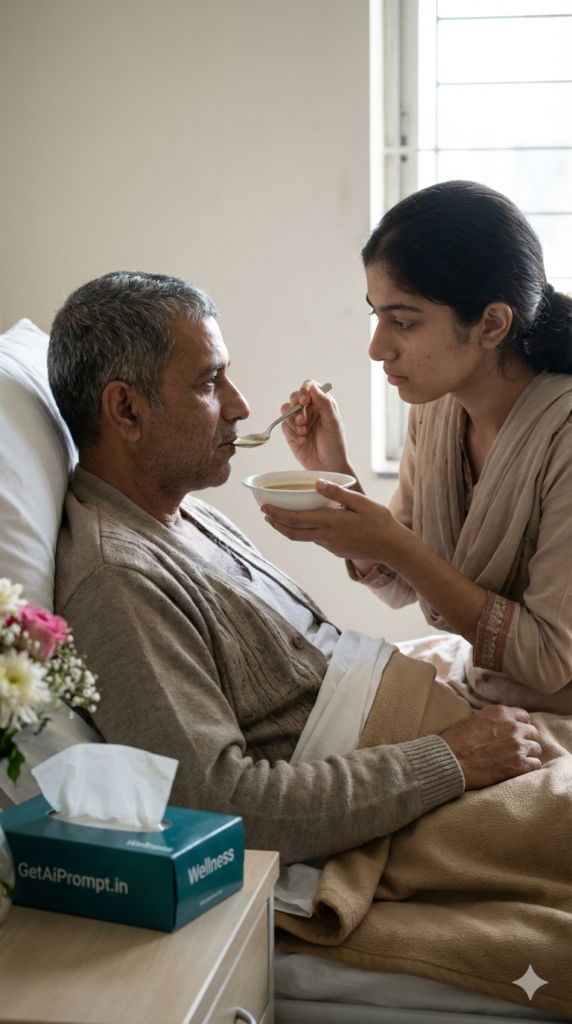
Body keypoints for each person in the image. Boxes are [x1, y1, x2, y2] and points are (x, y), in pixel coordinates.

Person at [47, 270, 541, 864]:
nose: (241, 405)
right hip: (409, 778)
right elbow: (221, 804)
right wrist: (452, 758)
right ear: (125, 409)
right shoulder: (119, 581)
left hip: (422, 723)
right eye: (210, 382)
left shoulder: (184, 513)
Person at [266, 181, 572, 715]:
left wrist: (393, 542)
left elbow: (548, 658)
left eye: (402, 322)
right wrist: (337, 479)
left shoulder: (564, 435)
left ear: (492, 323)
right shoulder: (435, 408)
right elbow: (402, 585)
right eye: (376, 316)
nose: (377, 347)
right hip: (485, 690)